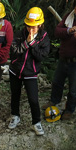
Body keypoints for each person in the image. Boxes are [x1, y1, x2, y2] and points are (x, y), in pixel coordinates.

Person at [8, 7, 50, 136]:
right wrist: (26, 43)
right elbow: (13, 52)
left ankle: (36, 122)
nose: (31, 29)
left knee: (33, 99)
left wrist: (33, 44)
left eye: (34, 27)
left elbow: (41, 56)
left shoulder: (44, 38)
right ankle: (15, 115)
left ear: (40, 25)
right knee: (15, 94)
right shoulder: (20, 34)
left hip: (31, 73)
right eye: (28, 26)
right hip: (15, 70)